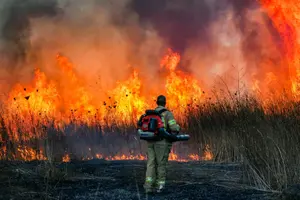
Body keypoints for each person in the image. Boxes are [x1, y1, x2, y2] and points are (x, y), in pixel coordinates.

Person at [143, 95, 180, 194]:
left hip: (150, 142)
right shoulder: (167, 114)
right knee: (161, 164)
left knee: (151, 163)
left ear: (157, 103)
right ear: (165, 103)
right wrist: (177, 127)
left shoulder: (150, 114)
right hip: (161, 143)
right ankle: (160, 186)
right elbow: (173, 128)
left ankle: (148, 186)